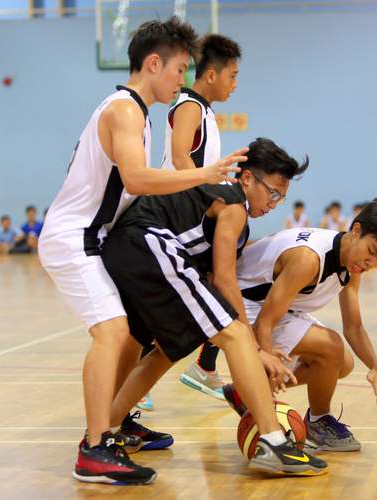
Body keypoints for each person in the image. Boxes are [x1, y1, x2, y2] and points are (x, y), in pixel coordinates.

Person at [37, 18, 245, 485]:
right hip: (75, 238)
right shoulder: (125, 110)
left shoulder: (137, 112)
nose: (182, 79)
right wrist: (205, 175)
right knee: (112, 333)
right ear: (154, 64)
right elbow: (137, 179)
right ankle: (94, 447)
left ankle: (115, 422)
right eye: (179, 69)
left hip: (99, 239)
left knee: (132, 333)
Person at [101, 137, 328, 477]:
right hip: (145, 242)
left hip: (128, 249)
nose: (275, 203)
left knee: (167, 349)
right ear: (248, 178)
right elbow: (224, 279)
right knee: (236, 333)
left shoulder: (231, 212)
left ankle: (106, 431)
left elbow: (211, 281)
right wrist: (254, 347)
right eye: (273, 193)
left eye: (281, 196)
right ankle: (273, 442)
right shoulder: (234, 204)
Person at [221, 197, 377, 452]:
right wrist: (265, 386)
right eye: (371, 252)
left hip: (270, 308)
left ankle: (243, 391)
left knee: (343, 364)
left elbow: (354, 327)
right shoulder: (309, 259)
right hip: (239, 303)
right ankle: (317, 421)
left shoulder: (353, 262)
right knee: (331, 348)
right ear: (356, 230)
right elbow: (264, 324)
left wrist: (376, 367)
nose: (371, 264)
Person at [159, 33, 241, 400]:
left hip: (188, 211)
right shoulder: (190, 105)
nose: (235, 84)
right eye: (232, 76)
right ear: (211, 74)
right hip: (174, 214)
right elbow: (180, 158)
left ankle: (205, 365)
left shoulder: (204, 110)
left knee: (218, 283)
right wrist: (208, 202)